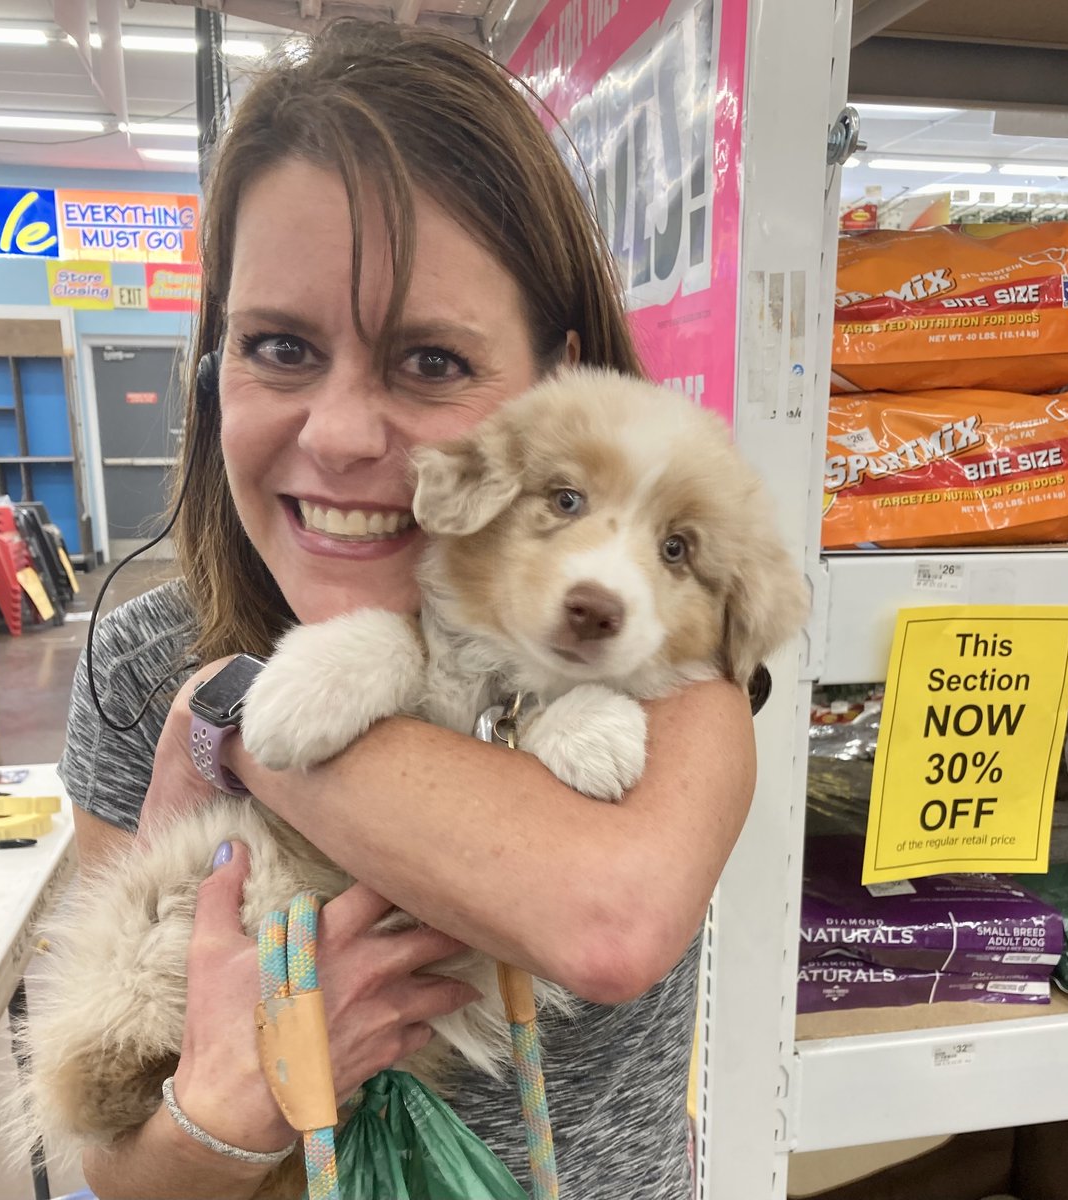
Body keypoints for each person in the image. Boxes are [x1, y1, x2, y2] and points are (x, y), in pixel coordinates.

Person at [64, 19, 757, 1200]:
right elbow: (109, 1156)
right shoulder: (139, 661)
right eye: (279, 345)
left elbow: (610, 921)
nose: (336, 437)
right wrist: (235, 1106)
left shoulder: (652, 646)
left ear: (556, 387)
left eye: (430, 362)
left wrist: (233, 720)